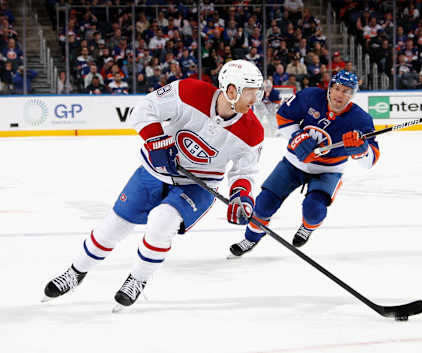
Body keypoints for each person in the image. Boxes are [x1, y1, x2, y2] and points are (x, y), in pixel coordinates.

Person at [43, 60, 265, 310]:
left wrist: (241, 195)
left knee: (162, 221)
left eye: (258, 91)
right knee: (112, 228)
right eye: (250, 91)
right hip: (154, 171)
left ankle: (137, 280)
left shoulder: (253, 131)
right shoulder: (188, 91)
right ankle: (76, 272)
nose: (255, 98)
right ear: (231, 90)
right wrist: (155, 140)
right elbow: (145, 108)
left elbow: (245, 171)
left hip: (198, 185)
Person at [229, 70, 380, 256]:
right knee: (263, 205)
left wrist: (361, 150)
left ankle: (307, 227)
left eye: (347, 91)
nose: (340, 95)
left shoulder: (361, 119)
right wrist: (297, 137)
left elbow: (370, 161)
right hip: (293, 163)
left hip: (329, 170)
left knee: (314, 210)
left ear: (353, 94)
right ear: (330, 88)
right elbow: (284, 116)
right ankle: (250, 239)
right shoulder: (310, 96)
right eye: (337, 88)